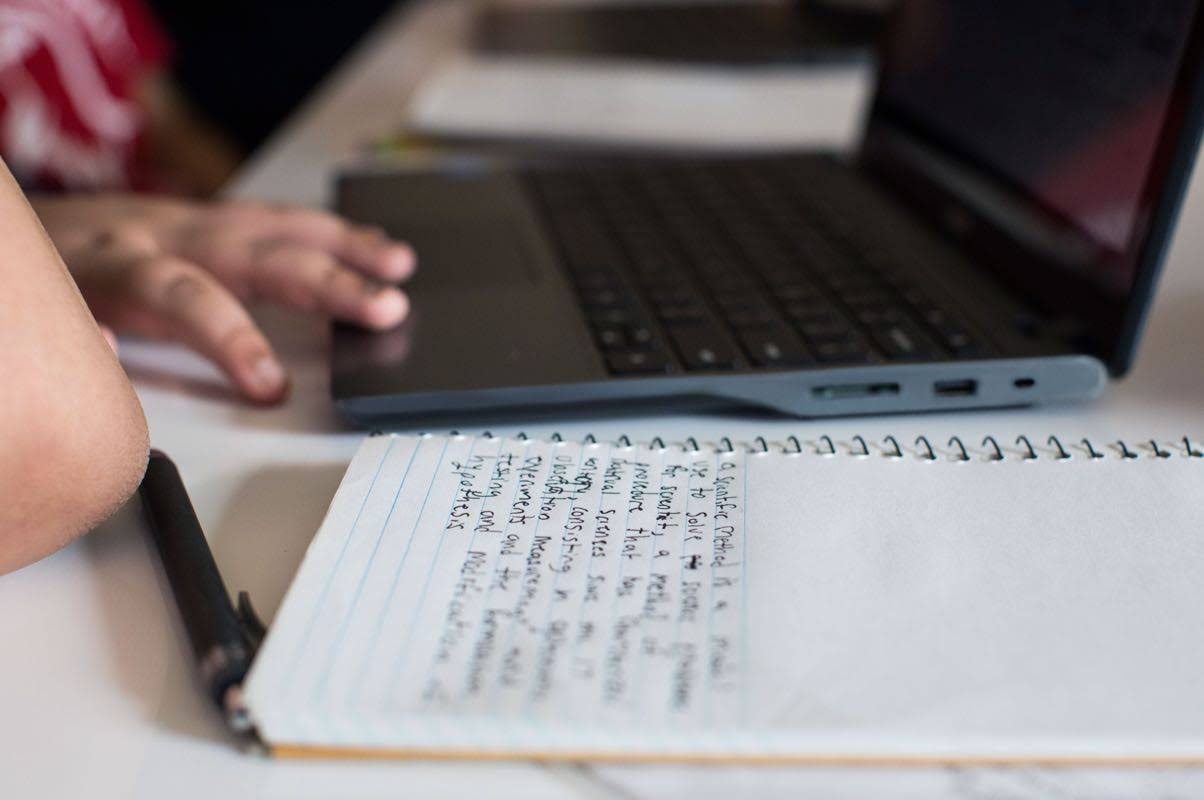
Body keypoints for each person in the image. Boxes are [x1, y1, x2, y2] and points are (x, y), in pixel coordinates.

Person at [0, 0, 417, 573]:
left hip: (144, 264)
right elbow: (70, 447)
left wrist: (238, 209)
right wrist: (39, 237)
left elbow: (163, 118)